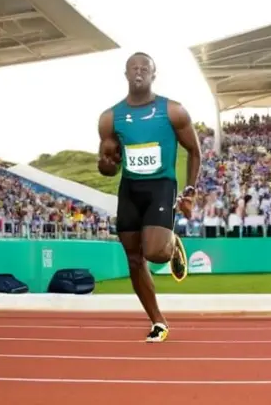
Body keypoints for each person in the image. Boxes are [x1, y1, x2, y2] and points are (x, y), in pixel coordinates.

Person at [97, 52, 202, 343]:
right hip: (130, 189)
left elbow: (195, 152)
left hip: (161, 186)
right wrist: (106, 166)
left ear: (154, 75)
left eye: (145, 68)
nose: (139, 71)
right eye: (134, 67)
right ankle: (158, 320)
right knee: (133, 258)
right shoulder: (110, 118)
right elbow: (108, 164)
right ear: (126, 74)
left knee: (155, 253)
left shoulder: (173, 111)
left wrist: (190, 192)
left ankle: (171, 244)